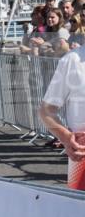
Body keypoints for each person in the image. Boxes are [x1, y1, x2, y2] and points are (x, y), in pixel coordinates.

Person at [39, 43, 85, 190]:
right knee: (78, 211)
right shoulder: (72, 60)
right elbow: (46, 111)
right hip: (82, 161)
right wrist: (65, 137)